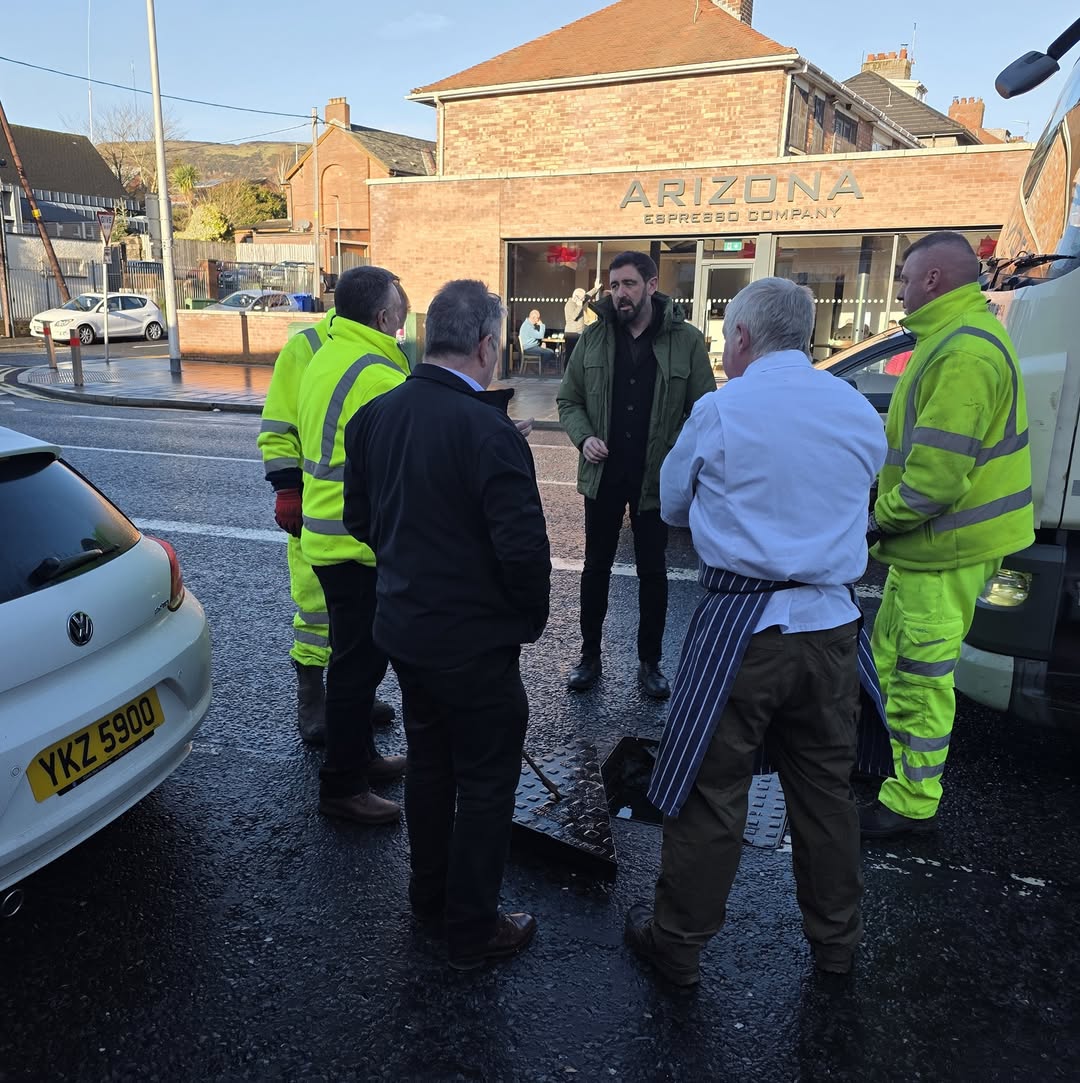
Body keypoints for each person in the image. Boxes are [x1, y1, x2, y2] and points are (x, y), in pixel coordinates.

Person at [622, 278, 887, 987]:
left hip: (745, 628)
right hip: (832, 626)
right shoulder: (856, 409)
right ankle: (837, 945)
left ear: (740, 337)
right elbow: (865, 495)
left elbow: (674, 503)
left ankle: (676, 947)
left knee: (713, 794)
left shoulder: (721, 409)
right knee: (825, 795)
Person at [342, 279, 551, 971]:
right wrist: (525, 621)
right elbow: (522, 553)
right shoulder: (490, 431)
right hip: (474, 646)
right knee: (487, 783)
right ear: (489, 345)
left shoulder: (373, 417)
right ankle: (472, 928)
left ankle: (428, 897)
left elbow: (360, 522)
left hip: (406, 633)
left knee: (431, 764)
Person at [861, 232, 1035, 838]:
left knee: (920, 677)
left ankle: (911, 801)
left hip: (943, 548)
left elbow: (934, 480)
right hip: (934, 549)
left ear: (934, 279)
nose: (901, 288)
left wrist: (877, 521)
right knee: (891, 660)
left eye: (906, 276)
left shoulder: (961, 354)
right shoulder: (954, 340)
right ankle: (892, 769)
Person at [557, 251, 715, 699]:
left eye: (627, 284)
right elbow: (569, 401)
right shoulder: (593, 338)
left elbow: (703, 410)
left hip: (656, 479)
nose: (619, 294)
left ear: (651, 285)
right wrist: (584, 437)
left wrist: (676, 452)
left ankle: (650, 663)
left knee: (653, 572)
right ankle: (589, 657)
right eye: (613, 286)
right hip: (603, 476)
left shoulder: (686, 340)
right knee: (595, 569)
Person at [296, 266, 411, 826]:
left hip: (327, 534)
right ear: (384, 316)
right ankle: (342, 786)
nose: (405, 312)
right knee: (356, 671)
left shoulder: (330, 351)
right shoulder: (376, 370)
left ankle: (361, 758)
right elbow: (402, 459)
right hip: (357, 545)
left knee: (352, 661)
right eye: (399, 304)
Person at [257, 309, 395, 744]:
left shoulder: (380, 348)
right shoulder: (307, 347)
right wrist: (287, 490)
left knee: (362, 619)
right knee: (316, 610)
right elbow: (279, 426)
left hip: (361, 514)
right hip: (316, 510)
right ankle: (312, 699)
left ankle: (353, 695)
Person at [563, 283, 601, 361]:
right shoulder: (569, 304)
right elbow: (574, 317)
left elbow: (587, 296)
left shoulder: (579, 300)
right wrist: (579, 306)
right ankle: (567, 372)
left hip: (579, 333)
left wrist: (595, 288)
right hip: (572, 334)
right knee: (570, 355)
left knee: (579, 354)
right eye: (582, 298)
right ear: (576, 297)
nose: (584, 299)